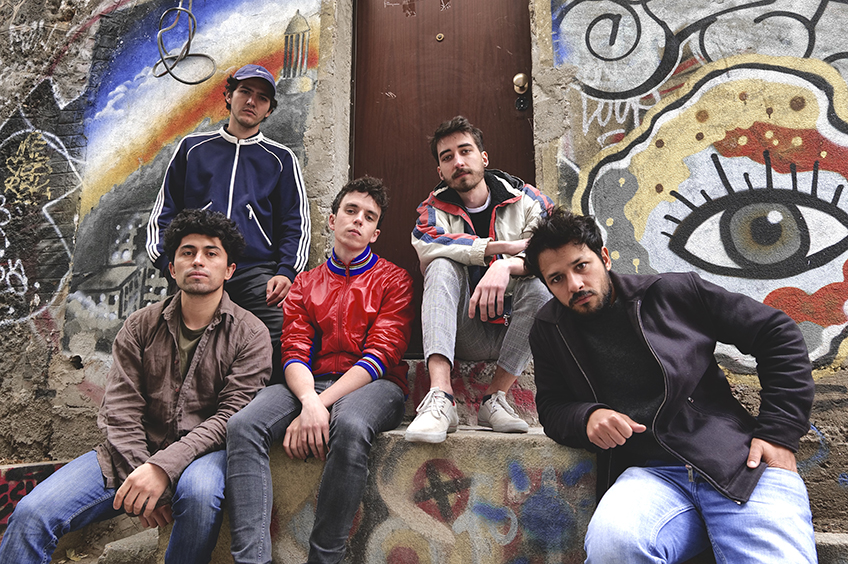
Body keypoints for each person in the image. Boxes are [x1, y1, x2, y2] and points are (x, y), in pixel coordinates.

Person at [524, 208, 817, 563]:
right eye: (557, 279)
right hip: (650, 476)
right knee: (613, 548)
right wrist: (587, 417)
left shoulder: (671, 293)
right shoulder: (550, 329)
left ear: (604, 258)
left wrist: (779, 433)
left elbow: (776, 332)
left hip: (735, 462)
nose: (574, 285)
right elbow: (552, 406)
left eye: (581, 266)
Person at [0, 209, 272, 564]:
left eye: (211, 253)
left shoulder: (251, 335)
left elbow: (229, 419)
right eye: (187, 252)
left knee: (200, 493)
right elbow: (121, 410)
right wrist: (143, 473)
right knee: (31, 514)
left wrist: (161, 470)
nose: (198, 261)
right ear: (172, 268)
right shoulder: (140, 326)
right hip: (127, 456)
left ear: (229, 269)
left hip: (203, 456)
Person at [227, 177, 414, 564]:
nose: (358, 220)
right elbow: (293, 350)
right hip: (307, 383)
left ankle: (324, 558)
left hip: (375, 385)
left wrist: (318, 405)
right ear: (331, 219)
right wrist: (308, 401)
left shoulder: (394, 280)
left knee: (350, 425)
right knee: (243, 425)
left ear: (375, 234)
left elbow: (381, 355)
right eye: (351, 210)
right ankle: (252, 559)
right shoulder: (305, 283)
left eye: (369, 217)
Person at [146, 63, 310, 380]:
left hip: (254, 272)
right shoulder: (193, 149)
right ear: (228, 96)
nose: (251, 101)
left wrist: (286, 271)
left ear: (269, 110)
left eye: (262, 98)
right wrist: (168, 262)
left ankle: (265, 406)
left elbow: (295, 222)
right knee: (181, 354)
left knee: (280, 337)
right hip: (197, 265)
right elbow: (164, 212)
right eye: (245, 91)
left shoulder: (280, 159)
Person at [406, 116, 554, 443]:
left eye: (465, 151)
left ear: (483, 157)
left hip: (516, 328)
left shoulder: (528, 199)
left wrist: (506, 266)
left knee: (540, 287)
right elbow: (428, 242)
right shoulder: (432, 209)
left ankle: (495, 399)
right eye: (447, 157)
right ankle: (441, 397)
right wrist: (495, 249)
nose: (458, 162)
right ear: (440, 171)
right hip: (465, 331)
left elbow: (550, 250)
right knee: (440, 265)